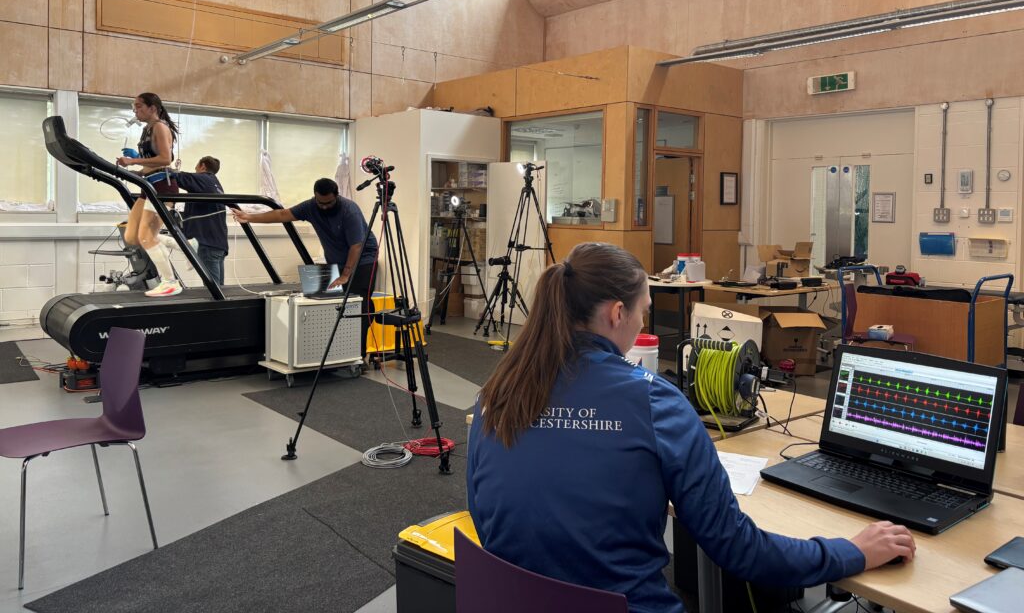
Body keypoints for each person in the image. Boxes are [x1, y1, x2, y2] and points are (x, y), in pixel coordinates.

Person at [467, 242, 916, 613]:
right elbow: (739, 549)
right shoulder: (653, 401)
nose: (644, 321)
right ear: (617, 314)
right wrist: (852, 551)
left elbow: (490, 519)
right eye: (643, 310)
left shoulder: (497, 393)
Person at [230, 178, 378, 355]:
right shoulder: (311, 206)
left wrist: (346, 274)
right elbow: (282, 215)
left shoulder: (349, 210)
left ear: (336, 196)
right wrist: (249, 217)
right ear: (315, 197)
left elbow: (356, 246)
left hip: (362, 261)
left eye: (328, 203)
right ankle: (337, 353)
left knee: (357, 305)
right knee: (334, 305)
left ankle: (359, 355)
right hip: (336, 260)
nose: (323, 207)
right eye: (320, 202)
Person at [115, 92, 183, 297]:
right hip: (149, 186)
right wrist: (134, 171)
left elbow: (165, 158)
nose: (135, 111)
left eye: (139, 106)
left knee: (146, 237)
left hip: (163, 186)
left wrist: (134, 161)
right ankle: (184, 244)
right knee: (132, 236)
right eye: (134, 107)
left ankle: (170, 282)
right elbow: (151, 162)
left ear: (153, 108)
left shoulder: (160, 127)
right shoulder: (146, 129)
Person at [160, 156, 228, 285]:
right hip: (218, 243)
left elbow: (176, 176)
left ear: (202, 166)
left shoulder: (203, 179)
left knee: (213, 289)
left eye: (196, 165)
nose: (195, 169)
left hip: (207, 243)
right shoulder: (215, 184)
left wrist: (158, 166)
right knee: (219, 288)